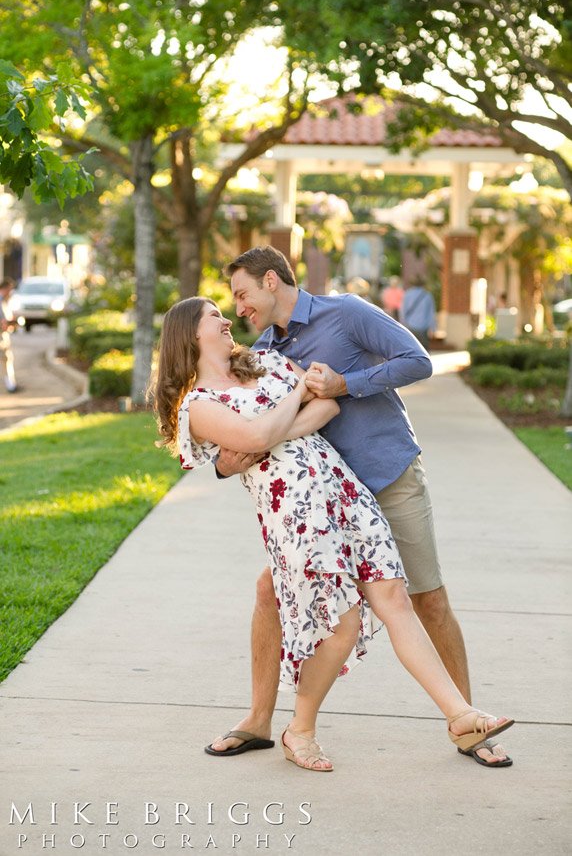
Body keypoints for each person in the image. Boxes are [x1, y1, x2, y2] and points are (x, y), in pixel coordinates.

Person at [153, 295, 514, 772]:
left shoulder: (263, 363)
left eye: (229, 306)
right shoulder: (198, 405)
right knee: (339, 626)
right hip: (296, 515)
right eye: (214, 316)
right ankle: (296, 728)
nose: (226, 319)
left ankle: (462, 717)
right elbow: (253, 440)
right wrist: (282, 413)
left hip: (345, 491)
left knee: (395, 597)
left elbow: (324, 410)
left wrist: (272, 425)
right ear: (190, 335)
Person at [399, 279, 436, 351]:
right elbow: (431, 313)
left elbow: (402, 311)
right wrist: (433, 328)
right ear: (423, 284)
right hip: (423, 327)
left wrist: (403, 325)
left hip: (410, 326)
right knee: (424, 350)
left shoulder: (407, 294)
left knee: (411, 350)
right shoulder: (427, 295)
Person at [0, 278, 19, 394]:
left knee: (6, 358)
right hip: (1, 336)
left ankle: (11, 383)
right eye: (10, 290)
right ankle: (10, 384)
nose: (11, 292)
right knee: (5, 358)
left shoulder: (4, 301)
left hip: (3, 335)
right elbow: (3, 322)